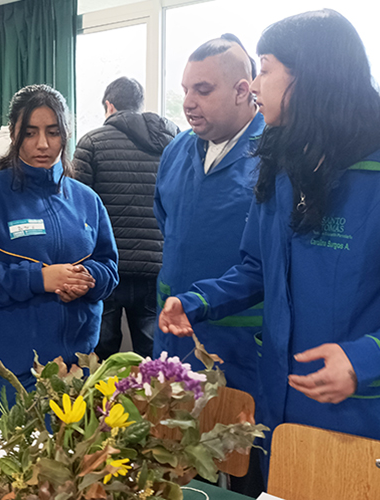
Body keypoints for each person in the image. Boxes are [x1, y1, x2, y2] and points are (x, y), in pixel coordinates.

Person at [159, 8, 380, 473]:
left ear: (309, 78)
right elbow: (256, 269)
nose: (256, 84)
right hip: (279, 407)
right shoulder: (285, 166)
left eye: (265, 69)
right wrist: (198, 301)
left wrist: (362, 359)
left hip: (363, 414)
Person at [0, 84, 119, 400]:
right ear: (14, 134)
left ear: (65, 134)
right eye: (30, 133)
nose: (42, 144)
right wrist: (39, 279)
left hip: (79, 369)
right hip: (11, 372)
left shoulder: (88, 200)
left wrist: (89, 278)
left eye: (53, 132)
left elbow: (110, 268)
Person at [153, 36, 264, 397]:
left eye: (202, 90)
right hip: (174, 333)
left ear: (242, 90)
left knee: (235, 446)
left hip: (240, 344)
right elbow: (168, 224)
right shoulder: (177, 150)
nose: (188, 103)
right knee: (165, 442)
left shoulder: (275, 156)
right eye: (186, 90)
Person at [73, 77, 179, 360]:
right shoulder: (172, 143)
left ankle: (103, 406)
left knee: (101, 354)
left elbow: (75, 208)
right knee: (152, 356)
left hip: (106, 268)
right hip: (155, 267)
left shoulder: (92, 143)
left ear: (109, 105)